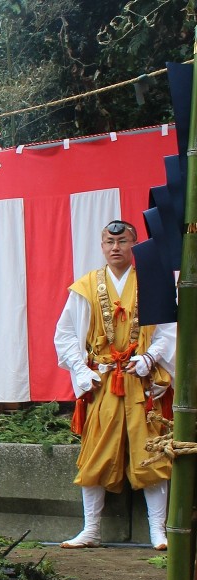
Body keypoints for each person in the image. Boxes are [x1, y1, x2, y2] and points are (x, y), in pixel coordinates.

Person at [53, 219, 175, 550]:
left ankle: (157, 530)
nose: (115, 248)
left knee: (150, 452)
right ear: (102, 245)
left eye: (122, 242)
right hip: (104, 380)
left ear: (134, 245)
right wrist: (80, 369)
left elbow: (168, 329)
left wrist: (150, 359)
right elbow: (64, 334)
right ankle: (90, 529)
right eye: (109, 242)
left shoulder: (152, 282)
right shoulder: (86, 286)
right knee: (94, 453)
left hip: (140, 380)